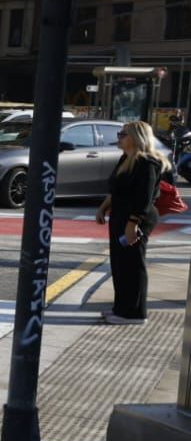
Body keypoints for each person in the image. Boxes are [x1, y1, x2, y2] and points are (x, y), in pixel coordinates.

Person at [96, 119, 171, 325]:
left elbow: (143, 198)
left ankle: (135, 313)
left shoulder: (146, 163)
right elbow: (116, 190)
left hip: (137, 217)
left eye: (123, 134)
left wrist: (133, 223)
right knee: (119, 263)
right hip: (121, 215)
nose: (119, 138)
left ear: (136, 138)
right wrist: (103, 207)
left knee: (133, 264)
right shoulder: (126, 159)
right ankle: (121, 308)